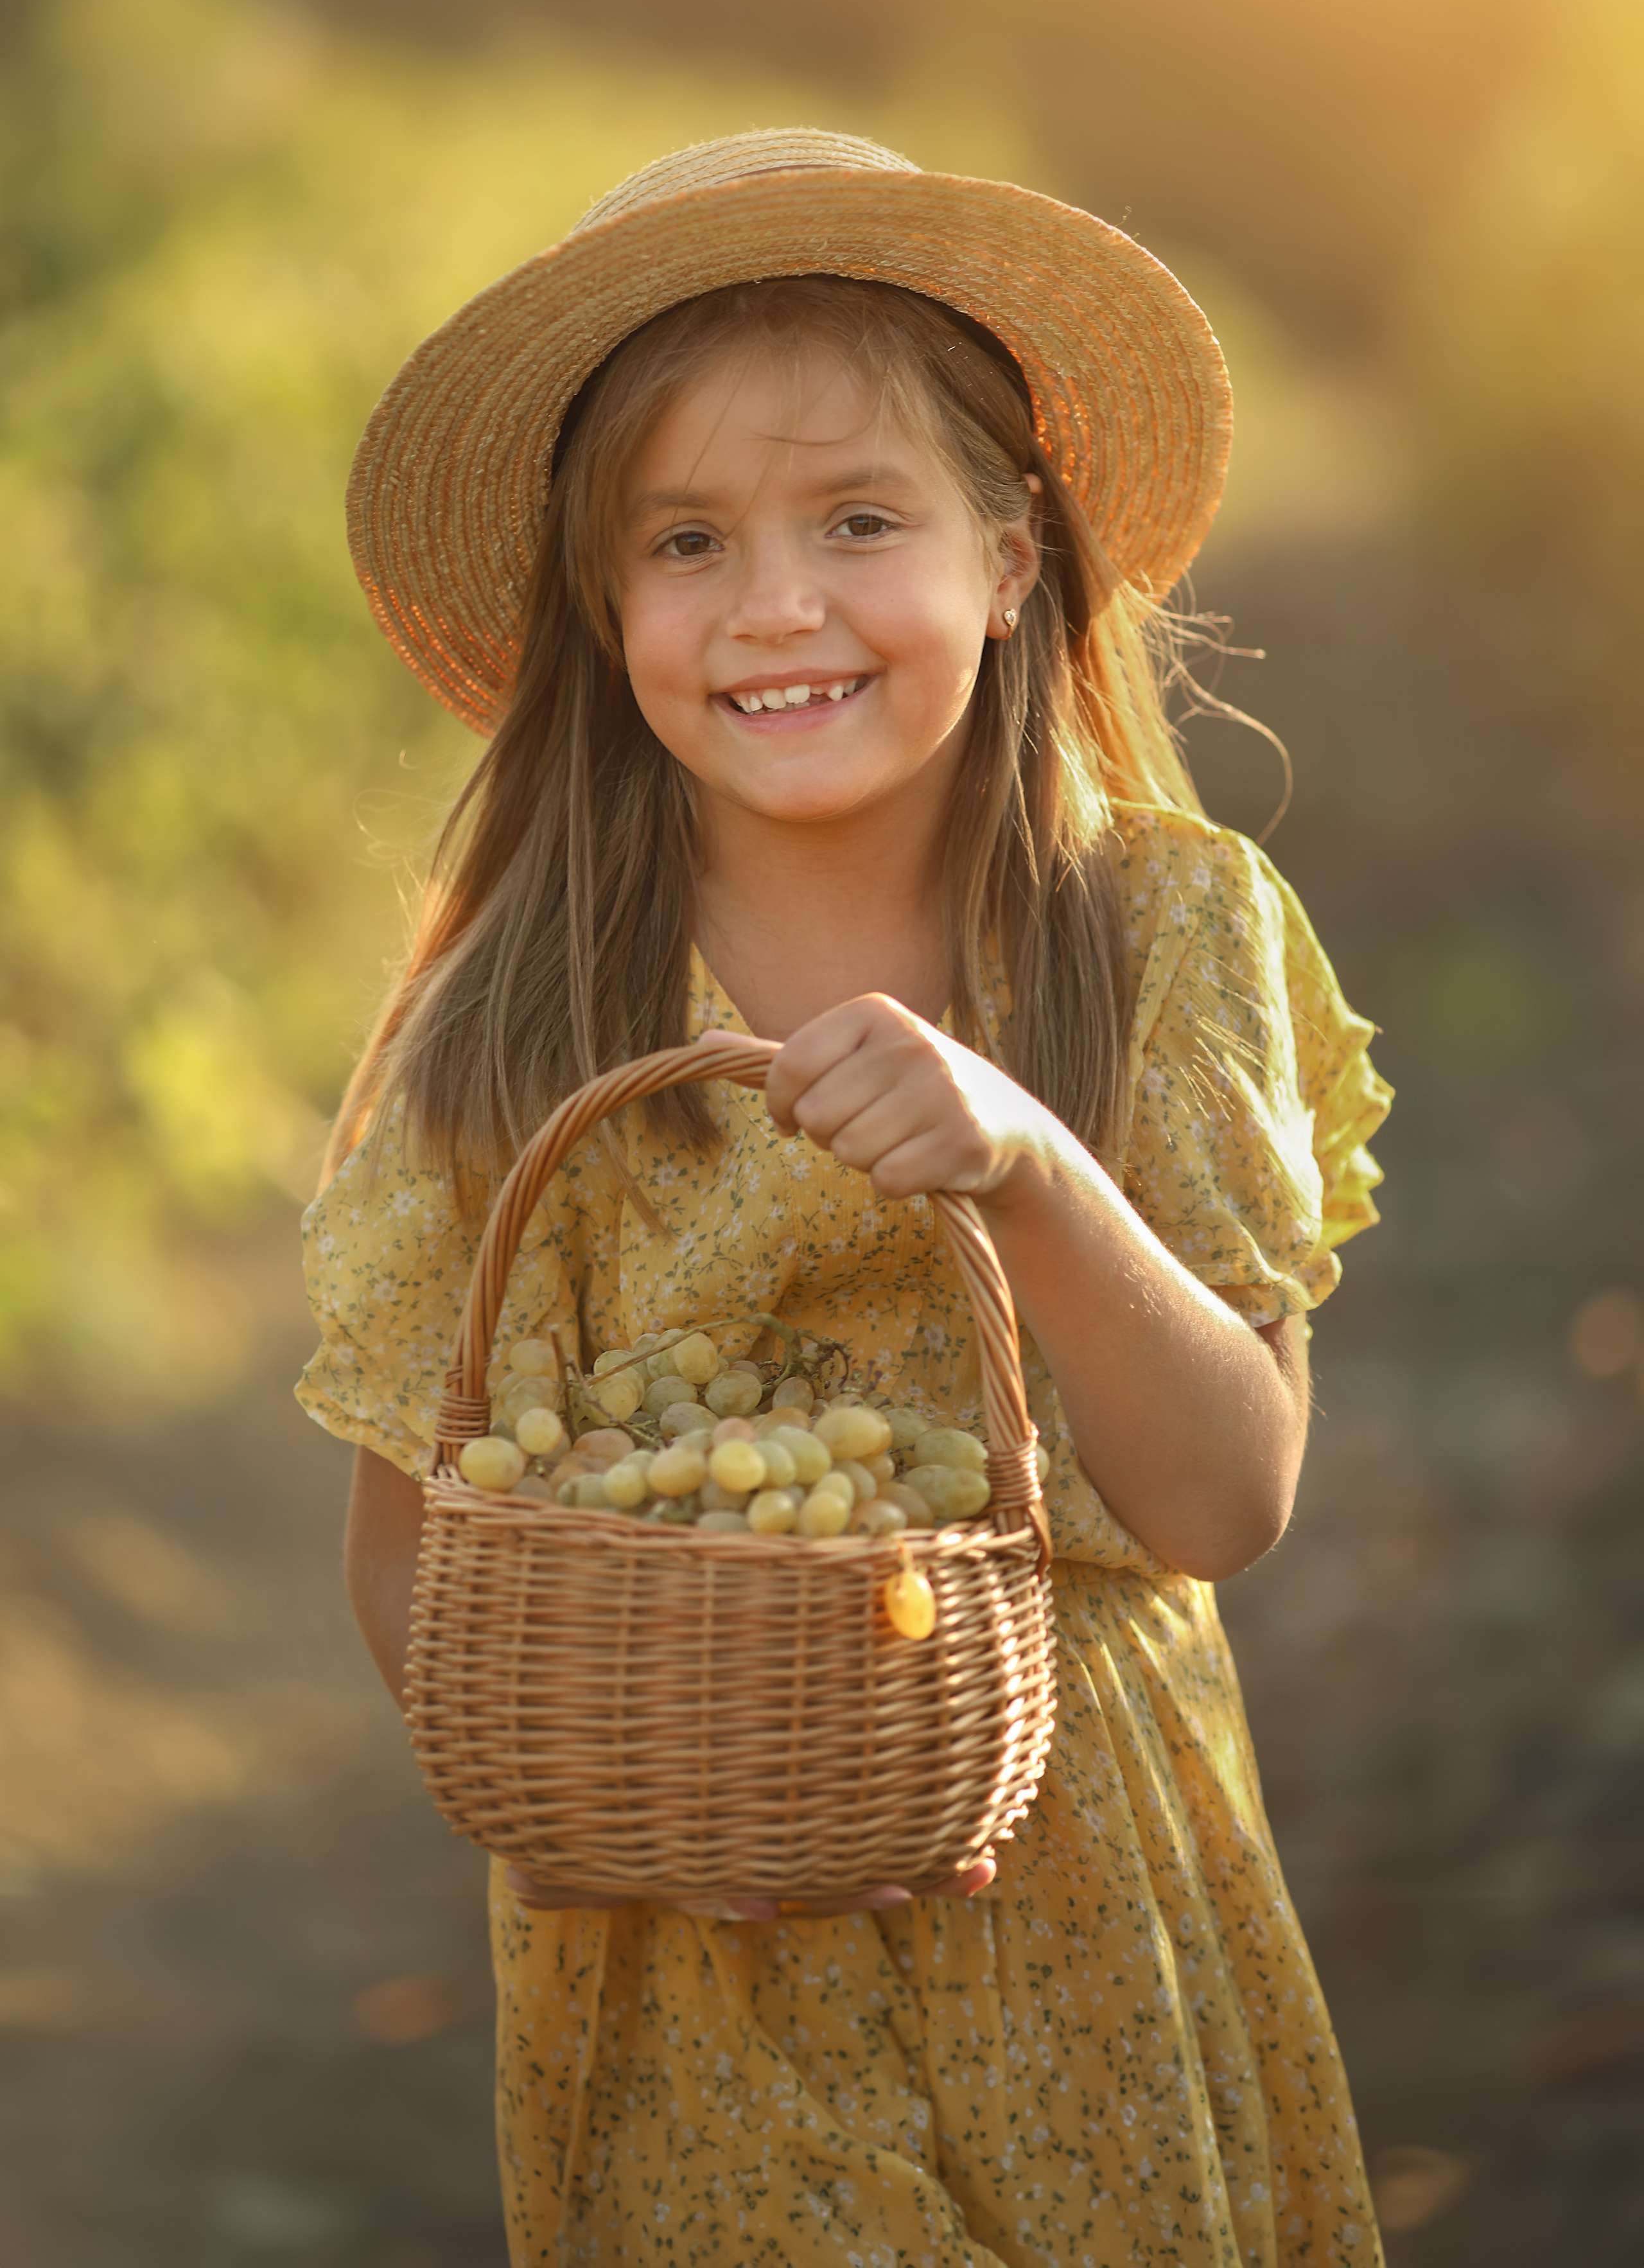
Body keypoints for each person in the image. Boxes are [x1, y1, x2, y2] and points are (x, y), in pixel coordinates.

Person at [298, 128, 1392, 2266]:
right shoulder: (525, 1027)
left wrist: (1040, 1173)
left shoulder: (1163, 936)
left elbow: (1225, 1503)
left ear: (1011, 556)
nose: (775, 603)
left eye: (859, 521)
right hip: (687, 1937)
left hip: (1084, 1875)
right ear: (602, 605)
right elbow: (418, 1564)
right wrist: (626, 1803)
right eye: (686, 540)